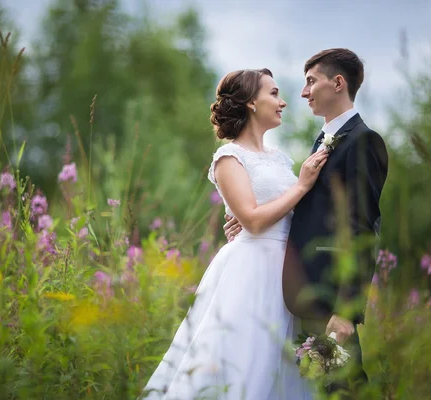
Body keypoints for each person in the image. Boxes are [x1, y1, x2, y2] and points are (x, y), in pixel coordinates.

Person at [140, 68, 327, 399]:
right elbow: (253, 221)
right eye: (273, 93)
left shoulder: (280, 159)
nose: (282, 102)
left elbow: (283, 211)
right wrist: (301, 185)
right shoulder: (229, 158)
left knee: (283, 364)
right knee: (244, 360)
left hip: (287, 271)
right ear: (252, 102)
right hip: (252, 271)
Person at [224, 48, 389, 398]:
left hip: (329, 297)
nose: (302, 93)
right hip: (300, 292)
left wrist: (347, 312)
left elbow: (362, 231)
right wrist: (250, 221)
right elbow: (314, 210)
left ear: (338, 83)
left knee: (345, 387)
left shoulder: (363, 141)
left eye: (310, 82)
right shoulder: (324, 141)